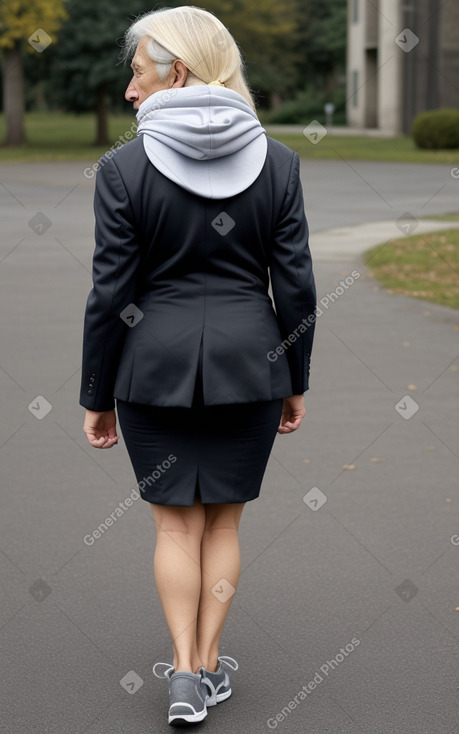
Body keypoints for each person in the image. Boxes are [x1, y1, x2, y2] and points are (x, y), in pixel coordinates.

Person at [80, 5, 316, 727]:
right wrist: (294, 377)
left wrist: (96, 392)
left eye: (136, 71)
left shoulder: (121, 168)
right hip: (253, 367)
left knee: (175, 528)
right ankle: (208, 666)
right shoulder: (278, 162)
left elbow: (110, 293)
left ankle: (182, 671)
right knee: (222, 527)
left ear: (174, 70)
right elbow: (297, 285)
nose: (128, 89)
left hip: (151, 370)